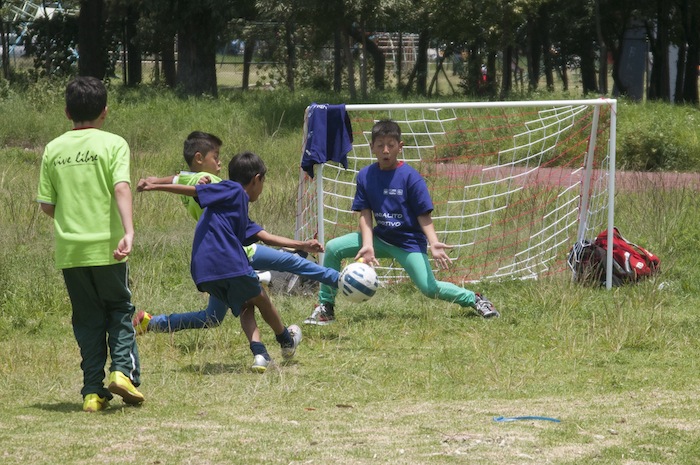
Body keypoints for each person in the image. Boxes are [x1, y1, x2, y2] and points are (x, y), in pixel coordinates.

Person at [134, 132, 335, 372]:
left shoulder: (232, 202)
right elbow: (196, 190)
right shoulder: (233, 190)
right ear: (257, 179)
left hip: (204, 269)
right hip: (231, 259)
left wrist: (301, 245)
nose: (218, 162)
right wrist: (153, 186)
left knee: (229, 311)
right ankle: (286, 339)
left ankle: (259, 354)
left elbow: (264, 235)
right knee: (263, 295)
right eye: (215, 156)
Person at [304, 119, 500, 326]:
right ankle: (325, 307)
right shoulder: (365, 176)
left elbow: (423, 215)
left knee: (429, 288)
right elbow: (365, 213)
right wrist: (368, 244)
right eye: (380, 145)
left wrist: (433, 242)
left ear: (400, 146)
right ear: (372, 148)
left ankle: (475, 299)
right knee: (333, 247)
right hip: (380, 238)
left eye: (391, 145)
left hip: (408, 243)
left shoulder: (410, 177)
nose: (385, 150)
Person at [36, 76, 144, 412]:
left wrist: (71, 222)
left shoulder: (53, 148)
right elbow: (122, 187)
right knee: (120, 310)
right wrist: (128, 231)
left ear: (67, 112)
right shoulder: (114, 143)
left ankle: (92, 392)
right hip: (108, 246)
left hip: (71, 251)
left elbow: (47, 205)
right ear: (105, 111)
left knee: (87, 318)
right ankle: (122, 372)